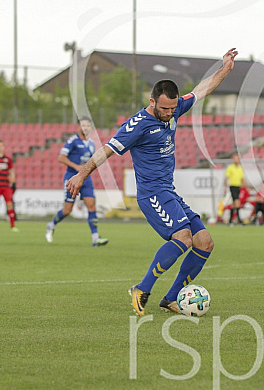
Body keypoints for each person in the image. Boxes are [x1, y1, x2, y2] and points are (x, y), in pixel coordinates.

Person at [66, 48, 238, 316]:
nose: (170, 113)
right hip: (152, 194)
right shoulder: (137, 124)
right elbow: (107, 149)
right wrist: (82, 173)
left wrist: (225, 69)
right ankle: (141, 288)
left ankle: (170, 299)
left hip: (169, 192)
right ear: (152, 101)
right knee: (183, 237)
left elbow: (203, 89)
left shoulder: (176, 107)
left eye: (173, 107)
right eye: (164, 108)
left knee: (204, 241)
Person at [45, 117, 108, 246]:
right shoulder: (72, 141)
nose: (85, 128)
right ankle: (51, 225)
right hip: (72, 178)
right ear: (78, 127)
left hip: (86, 179)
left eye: (87, 126)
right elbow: (61, 157)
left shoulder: (91, 143)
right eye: (83, 125)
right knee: (67, 210)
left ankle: (95, 238)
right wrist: (76, 167)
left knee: (91, 205)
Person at [223, 153, 246, 224]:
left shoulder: (240, 168)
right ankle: (239, 220)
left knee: (234, 204)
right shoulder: (230, 167)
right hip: (232, 186)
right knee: (237, 202)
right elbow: (227, 178)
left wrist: (244, 186)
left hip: (238, 187)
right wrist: (225, 188)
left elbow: (242, 178)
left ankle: (230, 220)